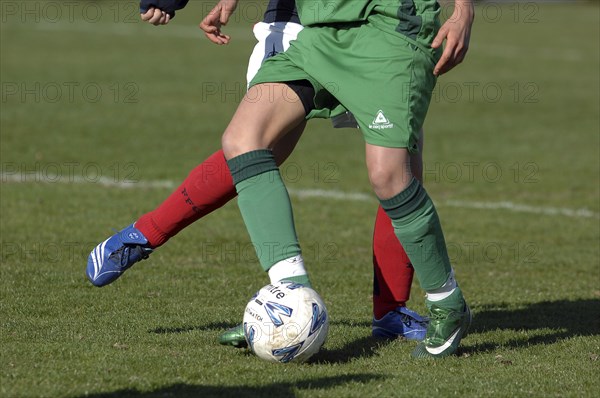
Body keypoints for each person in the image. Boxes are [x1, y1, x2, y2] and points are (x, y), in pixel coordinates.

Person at [86, 0, 429, 349]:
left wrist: (463, 11)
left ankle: (390, 312)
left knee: (401, 165)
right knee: (256, 149)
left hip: (378, 28)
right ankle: (145, 236)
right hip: (300, 23)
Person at [213, 0, 474, 358]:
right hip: (321, 28)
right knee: (243, 140)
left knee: (389, 176)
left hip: (389, 28)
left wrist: (463, 11)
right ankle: (292, 298)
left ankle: (448, 305)